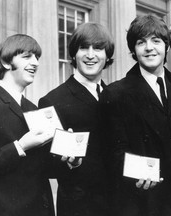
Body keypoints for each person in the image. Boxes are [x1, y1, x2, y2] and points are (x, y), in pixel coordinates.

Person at [100, 14, 171, 216]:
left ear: (167, 47)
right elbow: (113, 152)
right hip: (139, 201)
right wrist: (137, 173)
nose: (149, 48)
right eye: (141, 42)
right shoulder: (116, 94)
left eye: (156, 41)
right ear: (133, 50)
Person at [38, 22, 114, 216]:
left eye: (97, 48)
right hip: (79, 208)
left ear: (107, 56)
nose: (90, 55)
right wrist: (72, 163)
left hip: (118, 204)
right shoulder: (52, 100)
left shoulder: (117, 96)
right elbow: (45, 164)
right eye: (83, 48)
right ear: (73, 54)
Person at [0, 34, 55, 216]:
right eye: (27, 56)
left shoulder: (33, 108)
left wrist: (67, 155)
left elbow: (41, 168)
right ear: (6, 62)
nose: (36, 63)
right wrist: (19, 147)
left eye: (37, 57)